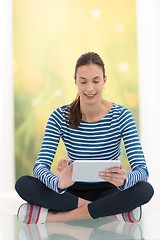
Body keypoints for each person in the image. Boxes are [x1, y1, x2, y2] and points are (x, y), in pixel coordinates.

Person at [15, 52, 154, 224]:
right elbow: (40, 167)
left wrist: (125, 179)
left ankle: (56, 218)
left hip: (108, 190)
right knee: (23, 184)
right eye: (83, 81)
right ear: (75, 82)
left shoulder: (122, 115)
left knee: (144, 190)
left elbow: (142, 170)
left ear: (104, 80)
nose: (90, 88)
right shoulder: (59, 116)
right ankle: (111, 213)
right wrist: (59, 183)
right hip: (72, 190)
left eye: (96, 81)